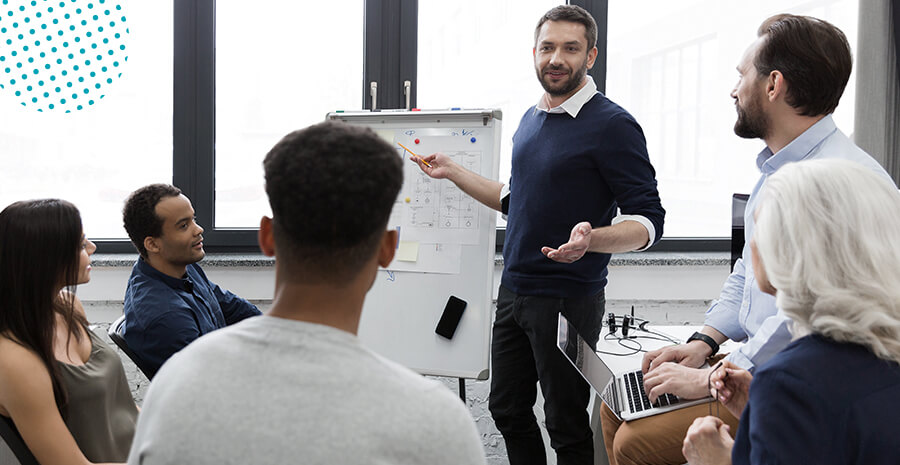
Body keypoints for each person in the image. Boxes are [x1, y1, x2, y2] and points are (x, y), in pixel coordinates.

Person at [600, 14, 897, 465]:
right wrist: (703, 341)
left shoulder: (840, 180)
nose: (734, 89)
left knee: (633, 441)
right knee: (613, 406)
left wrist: (713, 376)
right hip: (758, 367)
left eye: (742, 75)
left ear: (773, 84)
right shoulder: (775, 170)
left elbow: (803, 312)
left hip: (799, 380)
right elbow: (747, 273)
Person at [126, 121, 487, 464]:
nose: (197, 229)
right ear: (387, 250)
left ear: (266, 237)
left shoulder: (173, 387)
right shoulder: (436, 422)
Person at [412, 5, 664, 464]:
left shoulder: (613, 125)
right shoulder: (531, 119)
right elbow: (515, 199)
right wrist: (452, 171)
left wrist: (594, 239)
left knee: (565, 425)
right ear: (534, 52)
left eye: (570, 48)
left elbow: (649, 222)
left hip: (569, 301)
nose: (556, 58)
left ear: (590, 56)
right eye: (548, 47)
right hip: (514, 293)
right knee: (506, 408)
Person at [682, 159, 900, 465]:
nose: (752, 246)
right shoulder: (881, 351)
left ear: (790, 252)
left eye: (759, 231)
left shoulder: (790, 383)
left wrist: (718, 460)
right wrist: (763, 413)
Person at [0, 199, 139, 464]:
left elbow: (123, 410)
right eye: (80, 245)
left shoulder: (69, 306)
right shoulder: (13, 360)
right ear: (45, 259)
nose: (92, 248)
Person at [121, 184, 261, 378]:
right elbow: (213, 381)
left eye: (193, 219)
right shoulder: (167, 317)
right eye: (184, 226)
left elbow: (233, 307)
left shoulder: (180, 266)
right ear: (152, 244)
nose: (199, 229)